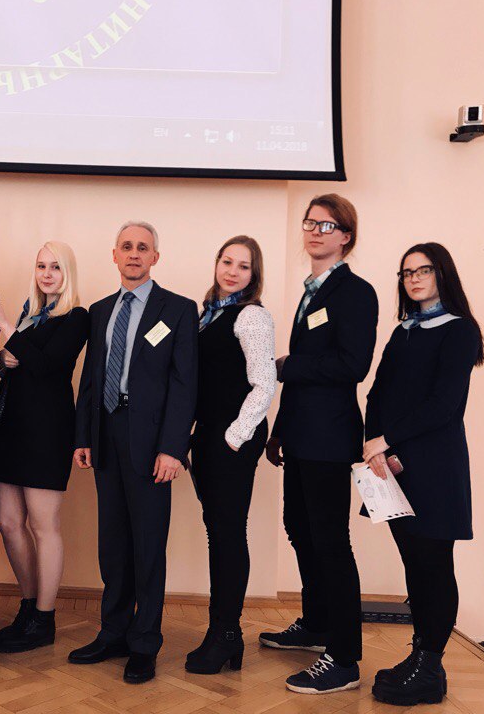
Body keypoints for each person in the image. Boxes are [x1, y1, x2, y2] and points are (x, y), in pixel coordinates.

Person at [69, 221, 198, 684]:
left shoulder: (178, 310)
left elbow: (185, 385)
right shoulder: (101, 310)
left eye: (143, 248)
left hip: (152, 443)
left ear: (155, 258)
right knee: (113, 544)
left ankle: (145, 643)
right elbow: (90, 378)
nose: (134, 254)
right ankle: (114, 633)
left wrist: (173, 449)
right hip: (106, 433)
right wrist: (84, 436)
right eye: (127, 246)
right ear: (115, 254)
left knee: (147, 545)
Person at [260, 194, 378, 695]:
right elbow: (306, 373)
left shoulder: (356, 292)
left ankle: (345, 659)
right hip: (302, 435)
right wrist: (279, 430)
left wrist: (289, 365)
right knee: (299, 528)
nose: (314, 231)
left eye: (327, 225)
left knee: (330, 541)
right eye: (310, 222)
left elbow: (353, 365)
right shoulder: (312, 291)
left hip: (330, 438)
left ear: (346, 236)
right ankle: (316, 624)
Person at [363, 243, 484, 707]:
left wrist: (386, 440)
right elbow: (377, 394)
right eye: (406, 272)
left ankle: (431, 667)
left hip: (435, 468)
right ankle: (419, 656)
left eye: (423, 270)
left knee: (434, 566)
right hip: (392, 467)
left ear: (442, 274)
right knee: (414, 565)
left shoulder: (459, 330)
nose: (413, 279)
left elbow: (444, 405)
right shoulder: (404, 331)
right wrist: (375, 447)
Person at [0, 242, 90, 653]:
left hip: (48, 431)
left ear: (67, 273)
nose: (47, 274)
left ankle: (44, 618)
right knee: (8, 522)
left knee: (44, 527)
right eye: (41, 266)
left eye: (55, 267)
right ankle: (28, 606)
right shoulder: (30, 314)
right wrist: (6, 357)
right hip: (13, 428)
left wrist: (7, 329)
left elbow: (45, 367)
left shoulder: (77, 317)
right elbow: (8, 364)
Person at [186, 235, 276, 674]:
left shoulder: (251, 315)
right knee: (217, 533)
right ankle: (222, 633)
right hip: (208, 436)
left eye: (243, 266)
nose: (233, 271)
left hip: (232, 438)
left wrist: (234, 438)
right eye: (227, 262)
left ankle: (226, 634)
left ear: (253, 275)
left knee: (227, 533)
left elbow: (264, 383)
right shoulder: (208, 314)